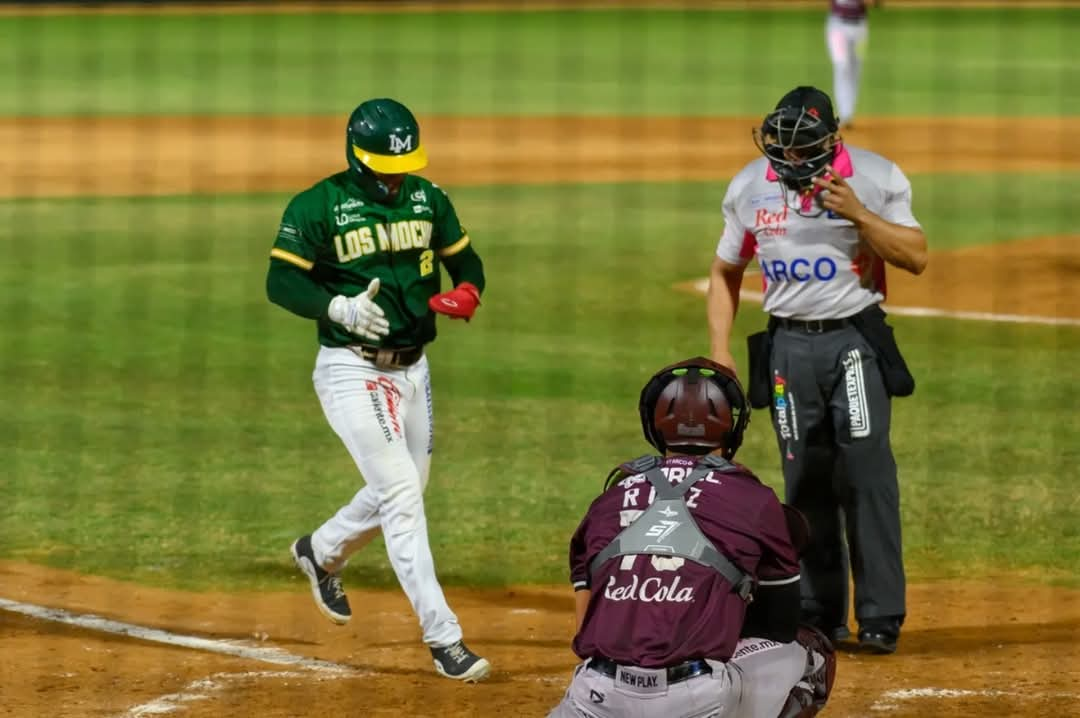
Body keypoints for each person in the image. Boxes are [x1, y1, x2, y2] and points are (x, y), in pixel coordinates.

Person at [265, 97, 490, 682]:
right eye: (386, 168)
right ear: (357, 157)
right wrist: (332, 304)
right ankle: (445, 639)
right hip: (351, 369)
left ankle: (321, 550)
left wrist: (468, 292)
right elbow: (280, 279)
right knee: (402, 499)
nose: (397, 179)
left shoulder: (427, 197)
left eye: (404, 166)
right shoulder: (318, 206)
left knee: (404, 489)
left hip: (415, 370)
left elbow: (468, 263)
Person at [706, 85, 927, 655]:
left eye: (805, 148)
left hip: (852, 343)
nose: (792, 159)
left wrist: (857, 212)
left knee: (867, 478)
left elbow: (915, 255)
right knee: (803, 481)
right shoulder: (750, 184)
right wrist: (721, 350)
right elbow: (726, 269)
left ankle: (880, 618)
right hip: (785, 349)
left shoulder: (875, 177)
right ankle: (818, 614)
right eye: (784, 146)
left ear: (833, 142)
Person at [548, 357, 836, 718]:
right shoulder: (754, 500)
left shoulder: (607, 501)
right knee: (810, 651)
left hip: (595, 695)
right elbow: (779, 624)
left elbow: (584, 626)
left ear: (653, 424)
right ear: (733, 428)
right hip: (694, 701)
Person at [825, 0, 882, 129]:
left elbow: (876, 3)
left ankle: (848, 115)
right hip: (837, 26)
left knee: (856, 68)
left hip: (860, 29)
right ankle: (844, 114)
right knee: (842, 66)